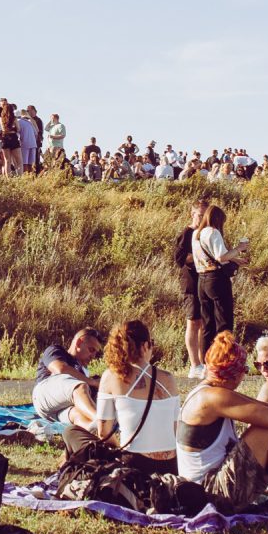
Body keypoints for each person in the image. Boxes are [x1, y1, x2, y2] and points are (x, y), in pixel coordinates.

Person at [177, 333, 268, 516]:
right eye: (246, 370)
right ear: (235, 374)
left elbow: (265, 409)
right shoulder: (213, 397)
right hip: (210, 495)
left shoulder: (211, 391)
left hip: (207, 489)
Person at [82, 320, 180, 472]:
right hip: (170, 466)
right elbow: (176, 429)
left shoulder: (111, 377)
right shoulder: (168, 378)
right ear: (145, 345)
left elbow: (104, 431)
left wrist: (119, 448)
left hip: (134, 464)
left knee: (72, 433)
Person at [191, 204, 246, 344]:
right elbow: (221, 257)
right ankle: (224, 359)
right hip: (216, 280)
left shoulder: (196, 233)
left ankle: (206, 361)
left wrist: (234, 259)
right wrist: (239, 249)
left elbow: (210, 255)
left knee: (207, 324)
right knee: (224, 323)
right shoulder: (213, 232)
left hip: (202, 280)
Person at [33, 328, 103, 427]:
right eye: (91, 350)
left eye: (96, 352)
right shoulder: (56, 350)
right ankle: (102, 422)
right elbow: (60, 369)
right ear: (79, 343)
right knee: (80, 387)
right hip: (44, 397)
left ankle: (96, 434)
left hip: (57, 412)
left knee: (77, 414)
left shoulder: (83, 371)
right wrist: (93, 382)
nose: (93, 356)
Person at [177, 200, 206, 379]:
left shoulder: (206, 232)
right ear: (192, 214)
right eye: (200, 215)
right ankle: (194, 365)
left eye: (205, 215)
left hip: (205, 282)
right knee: (193, 322)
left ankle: (203, 363)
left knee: (205, 323)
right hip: (190, 283)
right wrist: (199, 258)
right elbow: (179, 258)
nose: (202, 218)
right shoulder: (187, 233)